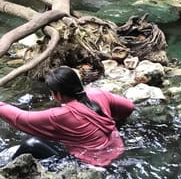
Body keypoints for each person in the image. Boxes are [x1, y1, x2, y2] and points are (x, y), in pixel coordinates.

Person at [0, 66, 135, 166]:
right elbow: (129, 107)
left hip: (90, 165)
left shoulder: (60, 116)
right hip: (118, 150)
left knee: (31, 143)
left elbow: (20, 118)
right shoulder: (98, 94)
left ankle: (6, 172)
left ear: (58, 94)